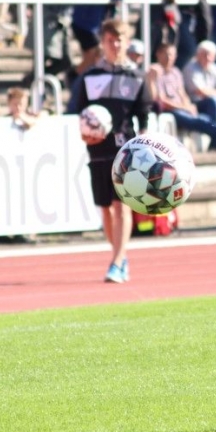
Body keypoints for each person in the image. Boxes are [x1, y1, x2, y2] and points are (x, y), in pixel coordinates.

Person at [68, 19, 152, 283]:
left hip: (125, 150)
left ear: (126, 42)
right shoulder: (90, 76)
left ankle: (116, 262)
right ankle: (119, 256)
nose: (115, 45)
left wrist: (143, 142)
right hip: (97, 150)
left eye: (119, 40)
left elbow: (144, 115)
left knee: (121, 204)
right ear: (103, 43)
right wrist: (85, 132)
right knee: (105, 208)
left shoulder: (137, 77)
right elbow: (79, 112)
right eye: (110, 40)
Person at [146, 42, 216, 151]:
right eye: (166, 54)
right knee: (198, 121)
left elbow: (182, 94)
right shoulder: (155, 72)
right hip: (169, 111)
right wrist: (185, 107)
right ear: (158, 54)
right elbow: (161, 100)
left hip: (181, 108)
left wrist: (189, 106)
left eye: (172, 55)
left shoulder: (176, 72)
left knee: (204, 118)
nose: (169, 58)